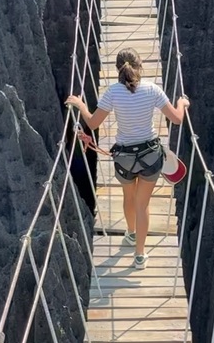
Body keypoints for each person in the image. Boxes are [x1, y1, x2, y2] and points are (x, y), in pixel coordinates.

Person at [66, 49, 189, 268]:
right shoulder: (153, 90)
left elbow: (93, 124)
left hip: (124, 159)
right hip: (151, 156)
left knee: (128, 197)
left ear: (117, 70)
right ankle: (139, 255)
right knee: (143, 205)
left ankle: (131, 233)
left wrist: (82, 106)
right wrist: (183, 104)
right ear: (139, 66)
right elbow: (177, 119)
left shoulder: (112, 93)